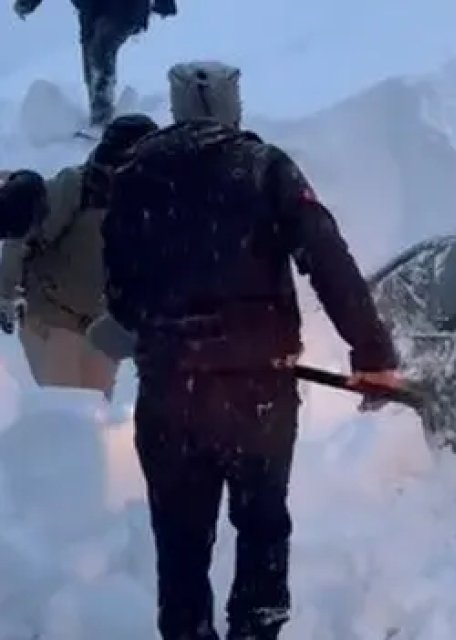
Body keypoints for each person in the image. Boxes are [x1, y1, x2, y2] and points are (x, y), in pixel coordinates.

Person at [98, 60, 402, 640]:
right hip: (257, 394)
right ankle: (257, 630)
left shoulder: (134, 177)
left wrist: (168, 329)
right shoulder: (265, 168)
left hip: (170, 394)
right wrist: (371, 353)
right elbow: (326, 255)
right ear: (233, 105)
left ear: (178, 105)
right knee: (262, 525)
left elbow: (119, 296)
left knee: (181, 542)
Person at [0, 114, 159, 399]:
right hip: (53, 320)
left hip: (102, 326)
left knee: (96, 407)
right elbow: (21, 235)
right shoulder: (75, 188)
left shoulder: (154, 202)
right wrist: (4, 292)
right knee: (64, 407)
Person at [13, 0, 178, 127]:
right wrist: (26, 3)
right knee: (91, 63)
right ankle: (97, 117)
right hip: (91, 13)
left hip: (126, 8)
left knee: (101, 48)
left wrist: (165, 3)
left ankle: (102, 117)